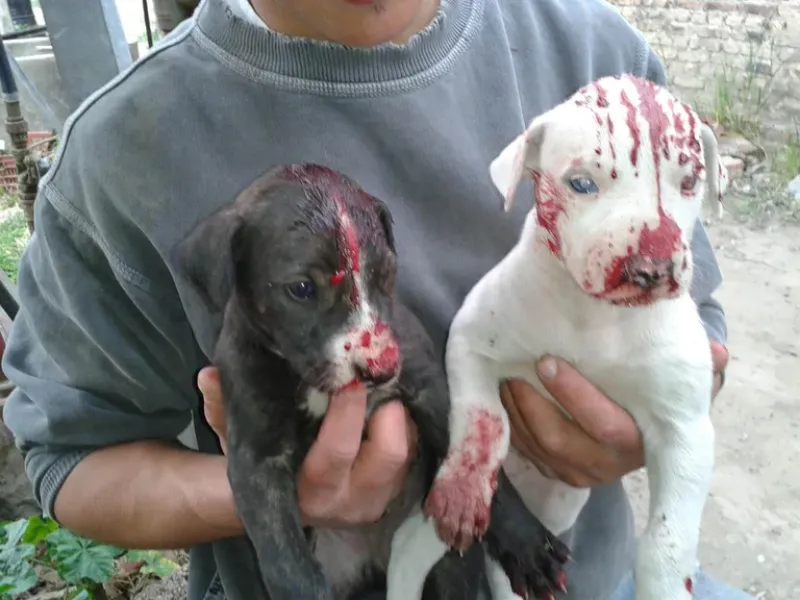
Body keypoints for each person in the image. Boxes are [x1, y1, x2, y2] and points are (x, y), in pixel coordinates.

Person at [1, 0, 747, 598]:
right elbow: (68, 456)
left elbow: (695, 325)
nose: (371, 333)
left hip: (585, 575)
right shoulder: (115, 158)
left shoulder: (596, 59)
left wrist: (662, 416)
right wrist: (275, 495)